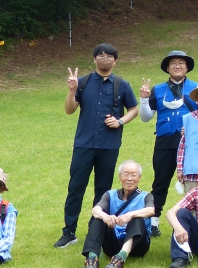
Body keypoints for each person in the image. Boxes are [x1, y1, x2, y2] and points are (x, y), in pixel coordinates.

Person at [56, 43, 139, 249]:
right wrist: (72, 90)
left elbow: (133, 109)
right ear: (94, 59)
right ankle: (69, 232)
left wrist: (120, 121)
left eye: (109, 55)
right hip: (84, 144)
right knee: (76, 187)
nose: (104, 58)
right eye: (100, 55)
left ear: (115, 61)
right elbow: (69, 110)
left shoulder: (121, 84)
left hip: (109, 145)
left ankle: (96, 228)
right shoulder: (82, 82)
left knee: (103, 189)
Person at [138, 50, 197, 237]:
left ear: (187, 67)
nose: (177, 66)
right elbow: (146, 117)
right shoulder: (156, 90)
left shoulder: (197, 89)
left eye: (181, 63)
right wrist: (144, 99)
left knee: (191, 183)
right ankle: (154, 222)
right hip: (164, 141)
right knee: (160, 182)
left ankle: (192, 221)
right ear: (167, 68)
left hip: (190, 143)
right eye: (173, 63)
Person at [81, 160, 155, 268]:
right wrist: (105, 217)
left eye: (133, 175)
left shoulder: (146, 196)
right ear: (120, 177)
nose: (129, 178)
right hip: (113, 244)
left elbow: (151, 210)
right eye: (126, 174)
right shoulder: (110, 195)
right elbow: (95, 210)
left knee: (136, 217)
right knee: (98, 218)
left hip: (138, 245)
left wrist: (131, 214)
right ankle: (92, 260)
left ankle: (120, 259)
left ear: (139, 178)